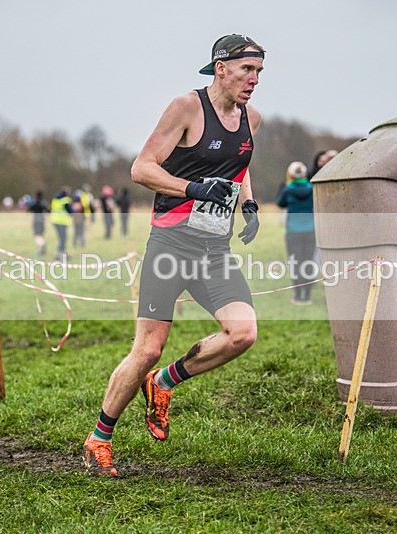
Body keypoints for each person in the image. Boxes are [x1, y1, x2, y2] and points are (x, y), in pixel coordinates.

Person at [82, 33, 265, 476]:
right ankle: (98, 438)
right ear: (221, 67)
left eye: (259, 71)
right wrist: (193, 188)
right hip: (171, 244)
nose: (254, 79)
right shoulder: (186, 108)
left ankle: (163, 383)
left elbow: (238, 171)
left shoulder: (251, 118)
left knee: (243, 334)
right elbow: (142, 167)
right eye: (247, 69)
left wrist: (250, 205)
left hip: (214, 248)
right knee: (147, 348)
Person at [277, 161, 316, 304]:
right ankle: (308, 296)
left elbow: (280, 203)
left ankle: (298, 296)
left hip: (293, 231)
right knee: (308, 261)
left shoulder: (288, 189)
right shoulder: (312, 188)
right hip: (310, 230)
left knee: (295, 263)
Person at [50, 187, 73, 261]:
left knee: (61, 239)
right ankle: (60, 255)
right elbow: (70, 211)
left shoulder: (55, 200)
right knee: (63, 239)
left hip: (55, 221)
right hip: (62, 222)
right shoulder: (66, 200)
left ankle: (61, 255)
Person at [28, 190, 49, 258]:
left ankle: (41, 246)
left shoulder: (34, 203)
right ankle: (40, 249)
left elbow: (29, 210)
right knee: (41, 235)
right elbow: (48, 210)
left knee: (37, 236)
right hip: (42, 220)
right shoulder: (43, 203)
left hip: (36, 220)